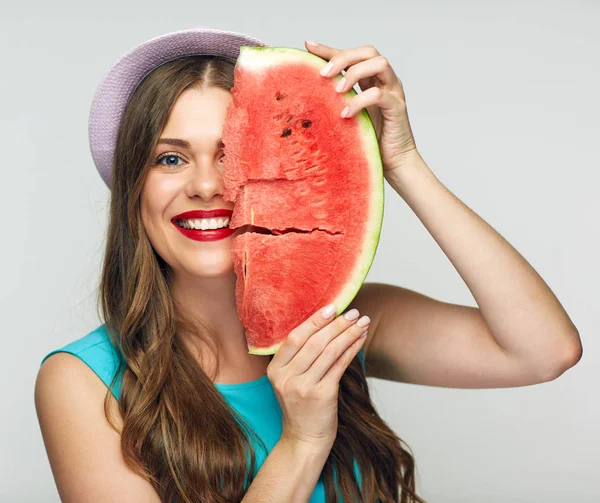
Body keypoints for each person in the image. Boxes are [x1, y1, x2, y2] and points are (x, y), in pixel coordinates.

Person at [34, 27, 582, 503]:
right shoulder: (83, 382)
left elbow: (544, 351)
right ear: (133, 189)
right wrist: (303, 441)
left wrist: (402, 161)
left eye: (231, 152)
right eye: (170, 158)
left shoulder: (343, 324)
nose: (205, 186)